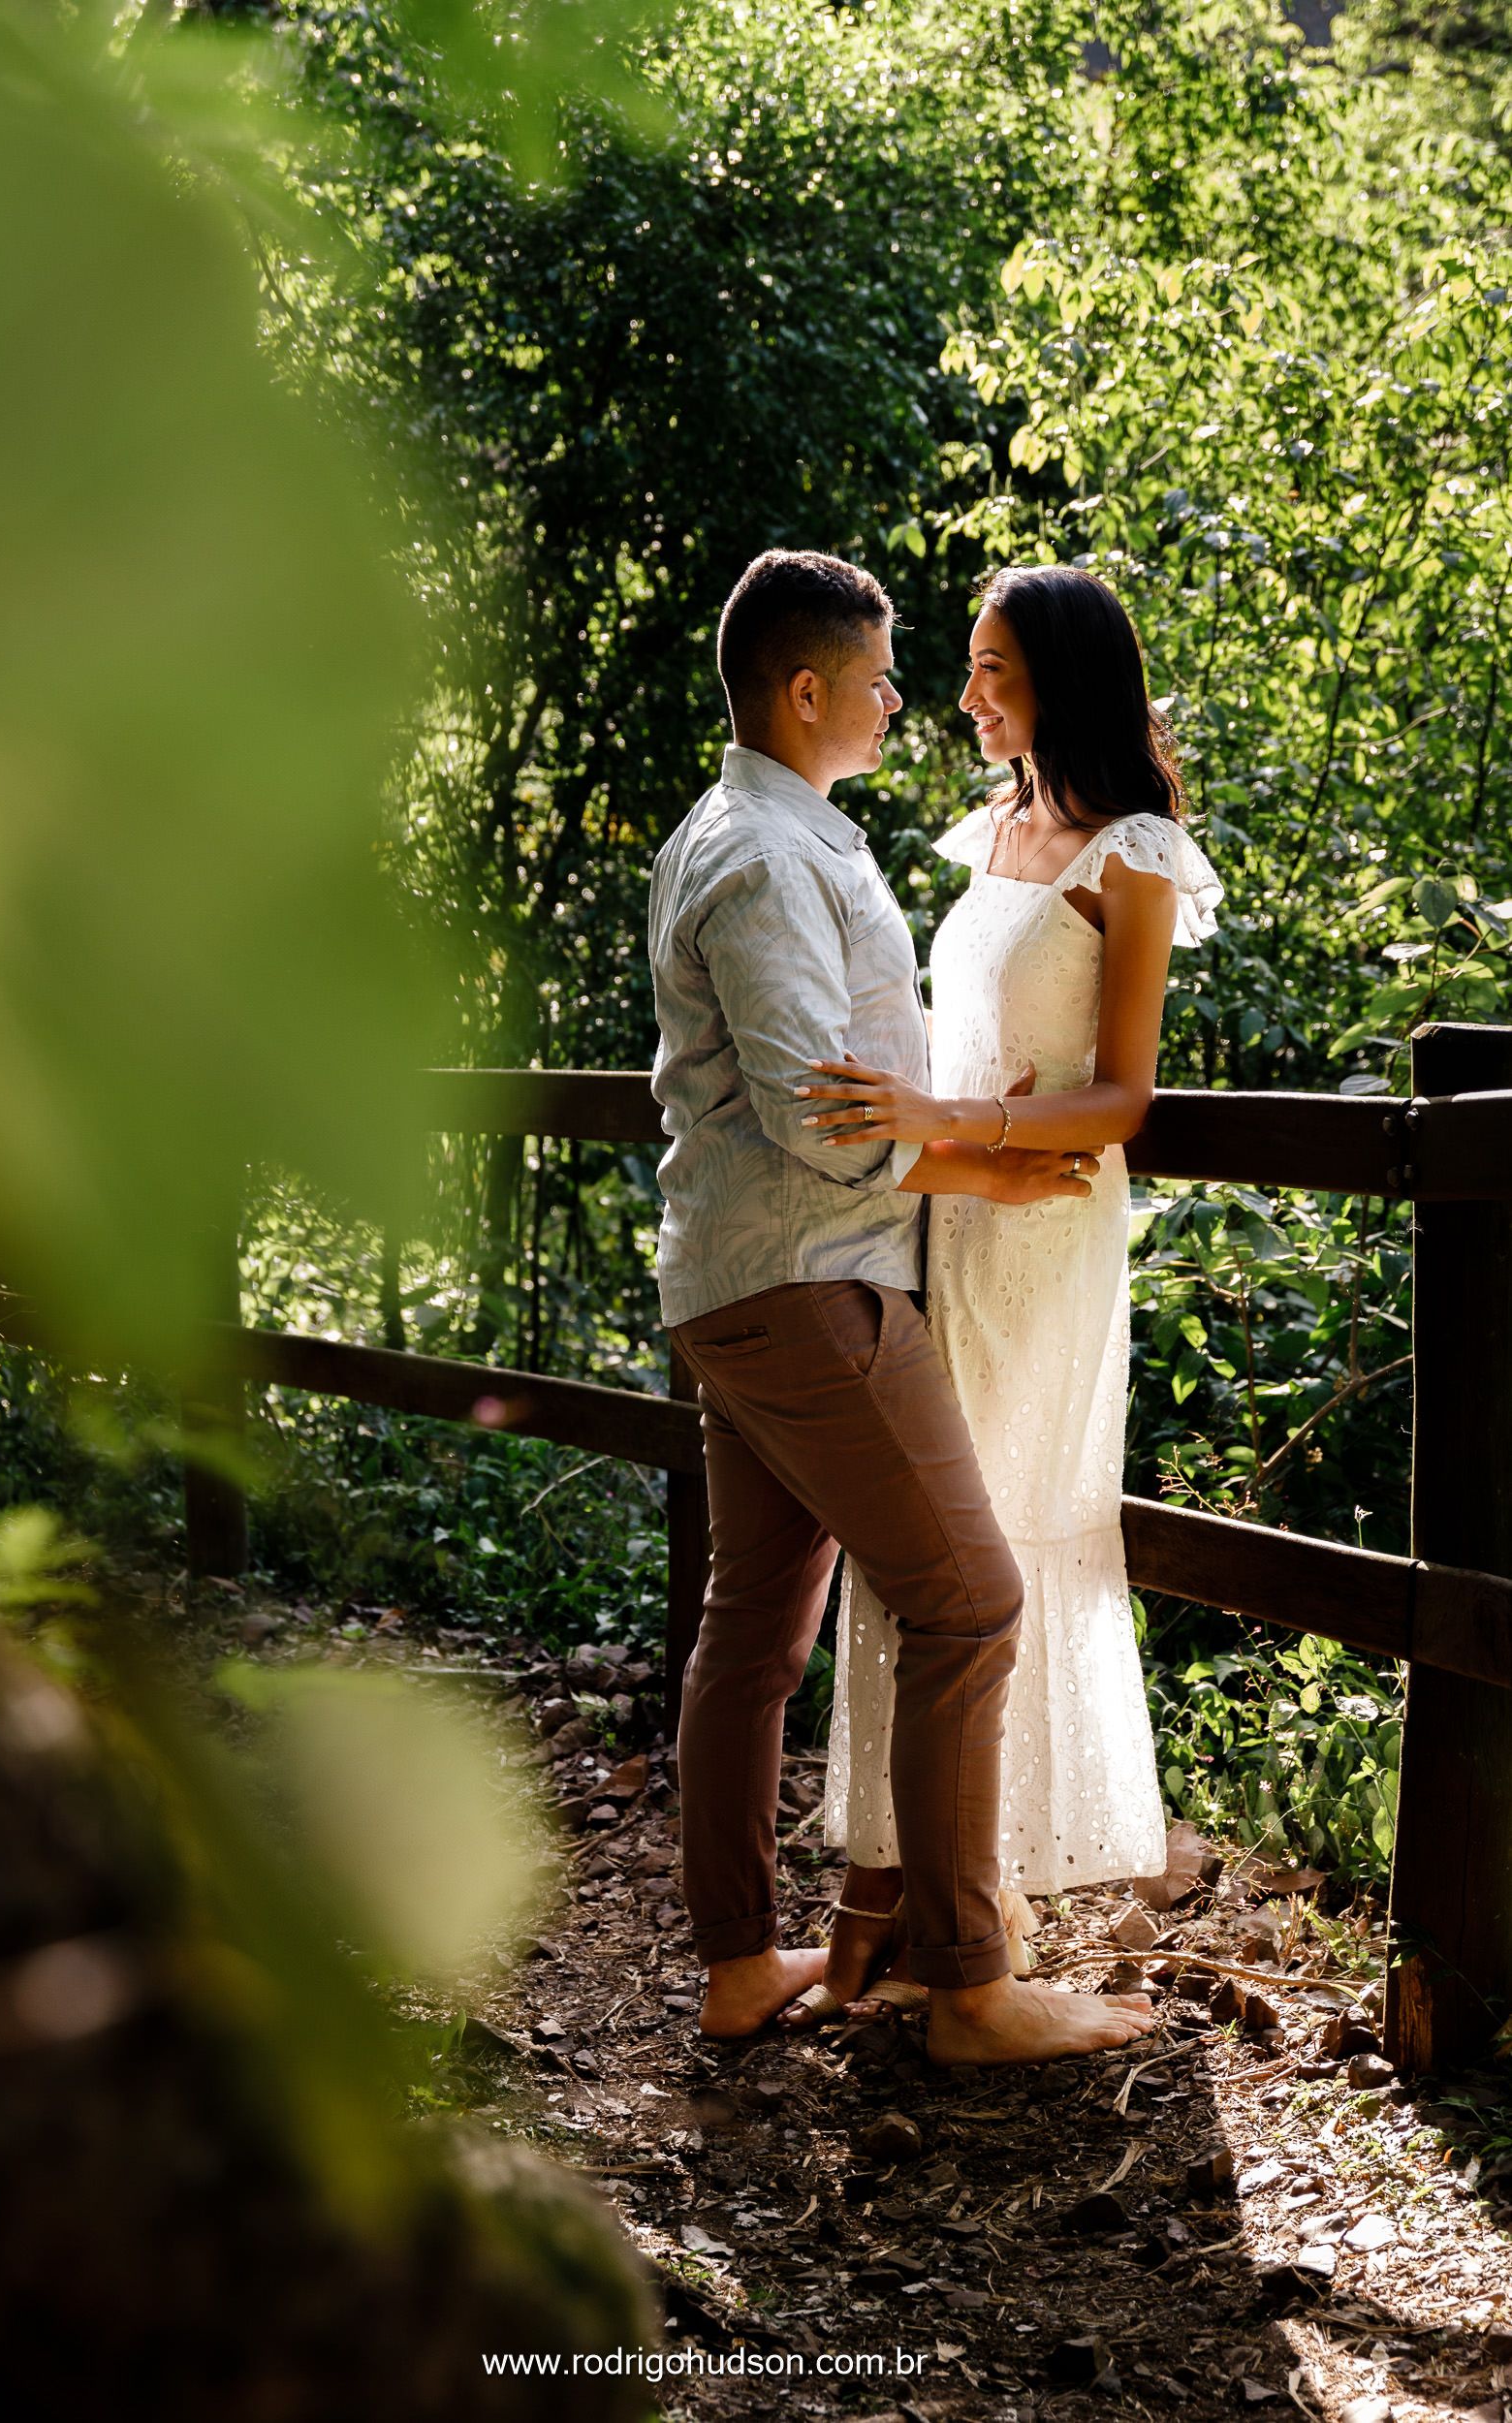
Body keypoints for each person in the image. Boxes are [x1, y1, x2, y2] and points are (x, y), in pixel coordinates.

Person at [647, 548, 1158, 2066]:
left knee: (753, 1628)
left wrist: (965, 1163)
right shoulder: (763, 858)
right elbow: (822, 1108)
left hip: (759, 1279)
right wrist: (982, 1169)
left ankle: (743, 1962)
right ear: (807, 693)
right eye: (878, 677)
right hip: (810, 1284)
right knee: (972, 1602)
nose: (903, 698)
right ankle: (971, 1984)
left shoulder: (754, 834)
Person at [795, 563, 1223, 2026]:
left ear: (1065, 682)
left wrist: (957, 1129)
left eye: (995, 671)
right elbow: (944, 1039)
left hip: (1042, 1227)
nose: (966, 696)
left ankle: (952, 1899)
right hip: (951, 1211)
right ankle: (895, 1892)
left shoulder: (1137, 855)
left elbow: (1118, 1099)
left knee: (1001, 1539)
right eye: (968, 667)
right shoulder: (989, 831)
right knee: (919, 1547)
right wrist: (936, 1134)